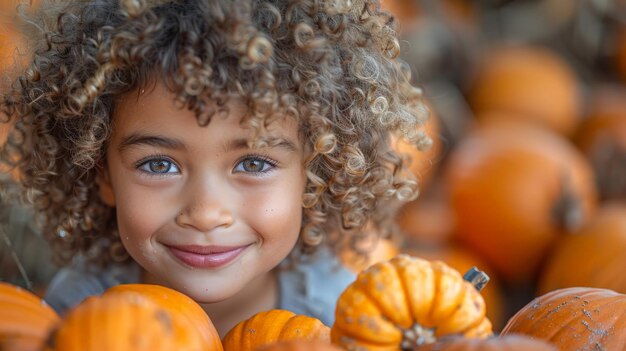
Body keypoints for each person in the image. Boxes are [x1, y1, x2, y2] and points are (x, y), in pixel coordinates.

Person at [0, 0, 430, 337]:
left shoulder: (340, 313)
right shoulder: (79, 308)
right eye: (159, 164)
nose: (206, 213)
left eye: (254, 162)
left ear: (314, 172)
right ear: (102, 175)